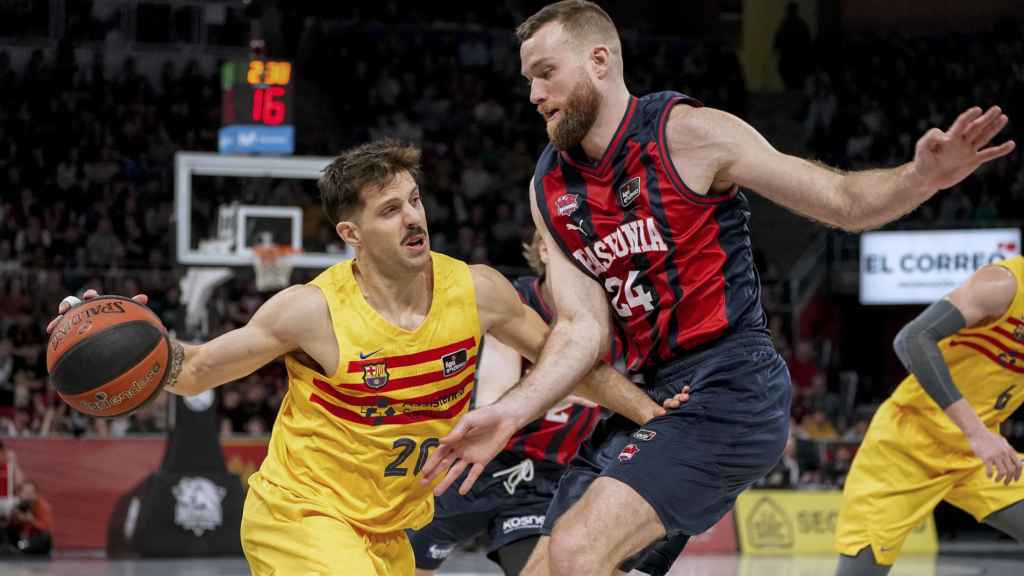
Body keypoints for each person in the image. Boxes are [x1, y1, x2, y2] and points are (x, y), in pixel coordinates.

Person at [420, 2, 1015, 575]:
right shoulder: (549, 182)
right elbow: (580, 328)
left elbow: (843, 202)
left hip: (730, 387)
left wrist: (920, 177)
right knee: (551, 570)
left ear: (599, 61)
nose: (534, 95)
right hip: (650, 398)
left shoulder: (690, 133)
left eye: (546, 74)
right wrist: (509, 413)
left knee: (579, 552)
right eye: (528, 80)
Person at [47, 139, 686, 575]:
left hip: (389, 531)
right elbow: (197, 369)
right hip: (301, 514)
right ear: (351, 234)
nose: (414, 218)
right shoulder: (310, 311)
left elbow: (566, 361)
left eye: (413, 199)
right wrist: (129, 337)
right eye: (390, 210)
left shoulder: (477, 290)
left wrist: (650, 410)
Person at [408, 232, 690, 576]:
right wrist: (577, 387)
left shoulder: (618, 319)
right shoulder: (515, 303)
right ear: (543, 248)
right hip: (475, 464)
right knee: (402, 566)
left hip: (543, 480)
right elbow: (493, 402)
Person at [835, 255, 1024, 575]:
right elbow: (912, 339)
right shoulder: (1002, 284)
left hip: (978, 457)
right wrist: (978, 434)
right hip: (908, 442)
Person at [4, 481, 53, 556]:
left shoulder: (41, 506)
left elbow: (46, 528)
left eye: (30, 493)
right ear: (20, 494)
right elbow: (9, 527)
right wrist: (14, 519)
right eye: (25, 493)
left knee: (45, 538)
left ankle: (18, 550)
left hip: (32, 541)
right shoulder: (18, 506)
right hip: (20, 542)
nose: (27, 496)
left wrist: (31, 520)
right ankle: (11, 549)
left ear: (35, 495)